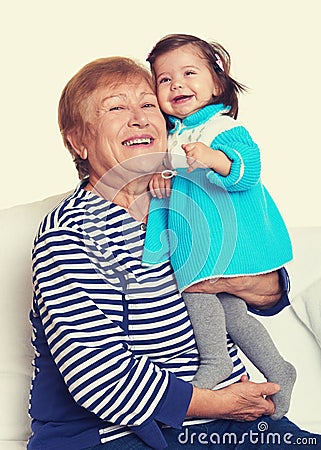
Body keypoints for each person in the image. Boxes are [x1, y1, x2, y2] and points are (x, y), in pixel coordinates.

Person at [27, 56, 320, 450]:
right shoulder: (71, 233)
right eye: (116, 107)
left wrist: (238, 281)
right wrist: (220, 403)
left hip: (226, 419)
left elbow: (270, 293)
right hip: (122, 435)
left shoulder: (188, 198)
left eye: (149, 104)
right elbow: (100, 378)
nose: (139, 118)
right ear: (78, 140)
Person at [142, 34, 296, 419]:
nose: (176, 84)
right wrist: (163, 177)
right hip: (209, 241)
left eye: (189, 73)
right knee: (231, 314)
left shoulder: (218, 127)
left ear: (217, 84)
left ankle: (216, 361)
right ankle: (279, 369)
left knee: (196, 294)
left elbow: (249, 171)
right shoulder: (173, 135)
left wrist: (215, 159)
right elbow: (174, 179)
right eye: (164, 79)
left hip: (232, 241)